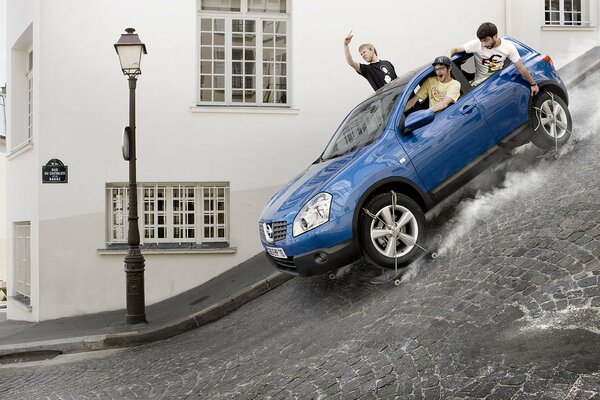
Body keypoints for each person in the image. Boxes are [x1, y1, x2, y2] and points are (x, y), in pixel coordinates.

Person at [447, 22, 539, 96]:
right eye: (481, 41)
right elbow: (453, 49)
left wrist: (533, 84)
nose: (483, 44)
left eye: (486, 40)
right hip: (479, 86)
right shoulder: (476, 44)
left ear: (494, 36)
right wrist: (447, 59)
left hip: (496, 83)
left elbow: (520, 68)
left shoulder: (508, 47)